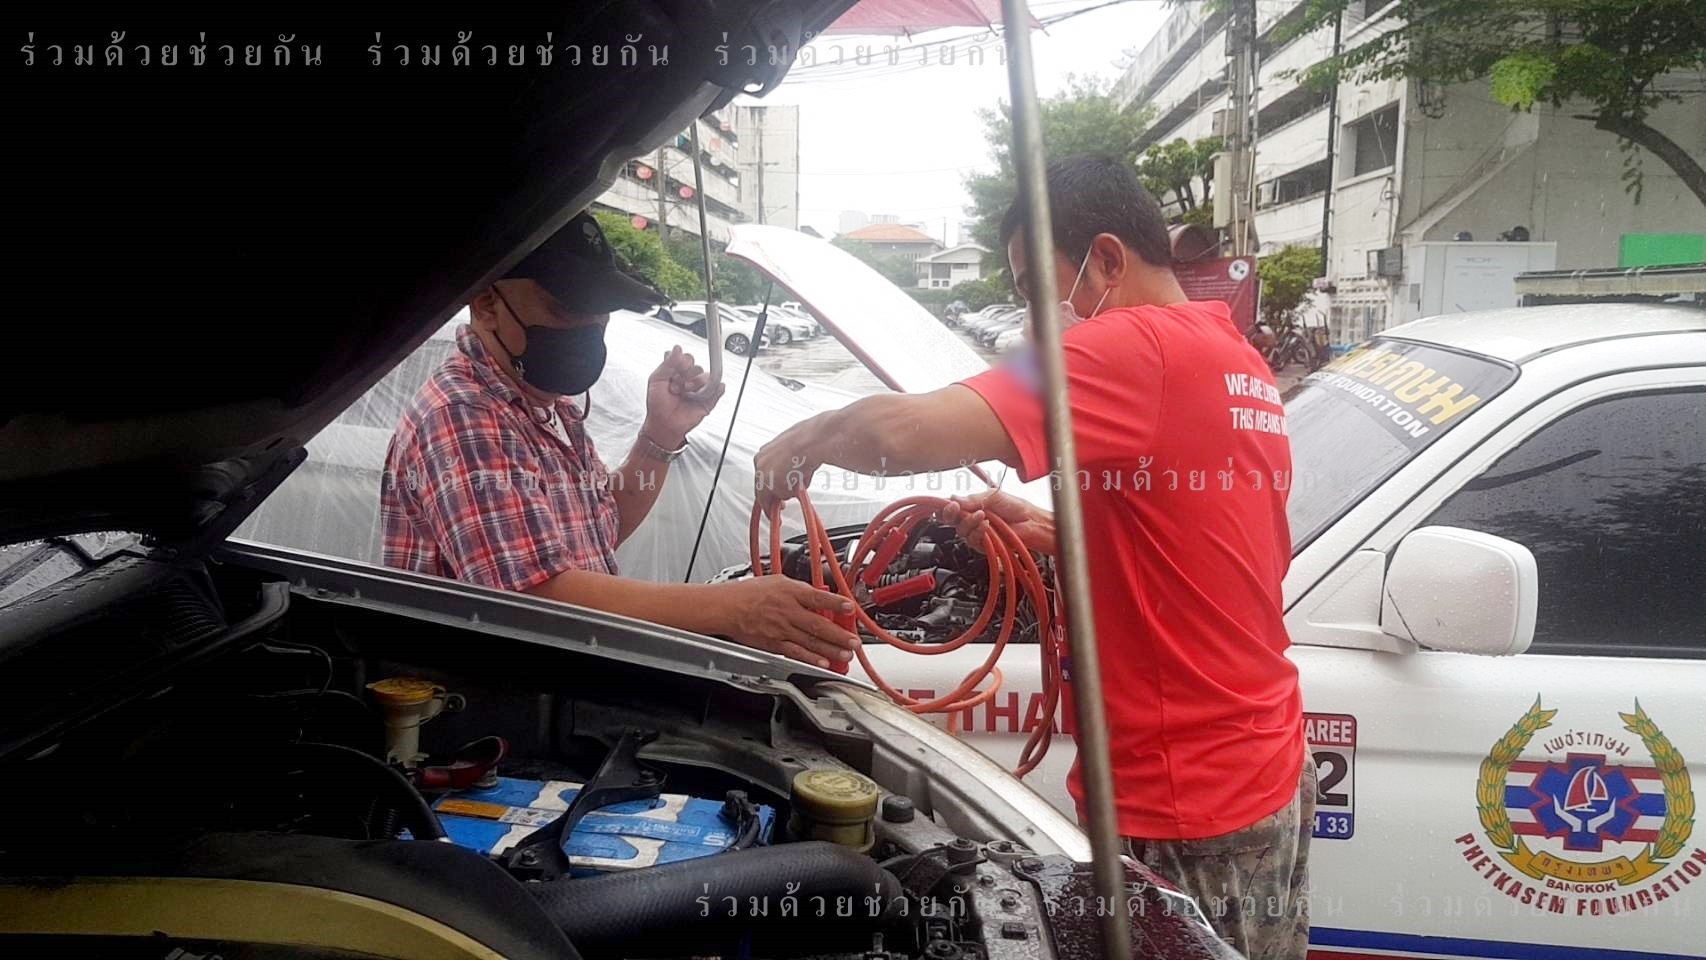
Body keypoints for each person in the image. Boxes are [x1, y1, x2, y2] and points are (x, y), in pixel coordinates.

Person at [754, 156, 1312, 959]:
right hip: (1253, 761)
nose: (1030, 314)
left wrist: (801, 444)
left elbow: (899, 435)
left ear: (1107, 260)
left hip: (1184, 794)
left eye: (1030, 288)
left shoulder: (1134, 344)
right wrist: (1047, 528)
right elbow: (1194, 543)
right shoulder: (1231, 355)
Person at [381, 211, 859, 670]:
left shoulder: (547, 403)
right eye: (568, 309)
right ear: (487, 305)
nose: (590, 331)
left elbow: (599, 529)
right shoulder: (464, 414)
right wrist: (728, 608)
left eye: (602, 312)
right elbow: (533, 595)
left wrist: (661, 435)